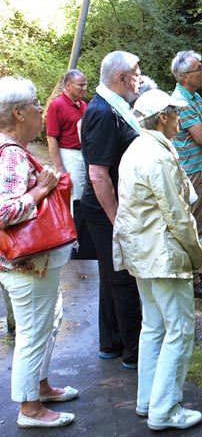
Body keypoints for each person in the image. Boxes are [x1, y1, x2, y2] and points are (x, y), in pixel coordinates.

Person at [113, 89, 202, 431]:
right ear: (162, 116)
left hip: (141, 253)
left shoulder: (137, 148)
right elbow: (178, 214)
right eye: (176, 114)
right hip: (163, 255)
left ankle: (147, 400)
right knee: (179, 329)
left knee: (153, 326)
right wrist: (195, 255)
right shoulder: (158, 156)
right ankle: (165, 410)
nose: (180, 119)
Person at [0, 75, 78, 428]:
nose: (39, 110)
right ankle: (30, 408)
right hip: (27, 266)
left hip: (30, 266)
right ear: (18, 113)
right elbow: (3, 212)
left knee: (47, 323)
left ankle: (40, 386)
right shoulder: (12, 156)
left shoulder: (11, 151)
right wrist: (40, 191)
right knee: (33, 331)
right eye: (33, 104)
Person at [80, 51, 143, 367]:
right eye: (136, 73)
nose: (139, 79)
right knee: (125, 277)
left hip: (107, 206)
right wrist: (118, 221)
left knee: (111, 275)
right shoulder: (104, 112)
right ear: (121, 78)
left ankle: (112, 343)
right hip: (106, 209)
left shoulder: (112, 106)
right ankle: (134, 353)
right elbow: (98, 174)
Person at [170, 50, 202, 298]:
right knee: (193, 227)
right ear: (184, 76)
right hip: (193, 172)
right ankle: (192, 279)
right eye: (199, 69)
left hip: (201, 168)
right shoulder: (182, 101)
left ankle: (195, 273)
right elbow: (201, 138)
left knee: (198, 225)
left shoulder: (194, 96)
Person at [45, 69, 88, 205]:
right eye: (80, 85)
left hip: (84, 154)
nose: (84, 88)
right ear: (68, 85)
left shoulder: (83, 105)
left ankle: (79, 223)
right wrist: (60, 167)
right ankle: (73, 223)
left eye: (85, 84)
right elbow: (51, 137)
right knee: (74, 194)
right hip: (69, 155)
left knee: (83, 192)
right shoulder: (56, 105)